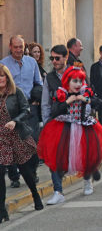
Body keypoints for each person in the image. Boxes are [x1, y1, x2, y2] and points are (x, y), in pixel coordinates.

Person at [38, 67, 102, 204]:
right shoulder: (61, 93)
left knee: (85, 156)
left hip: (83, 128)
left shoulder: (85, 93)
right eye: (75, 81)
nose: (78, 84)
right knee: (56, 159)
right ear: (67, 82)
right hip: (63, 130)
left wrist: (87, 100)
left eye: (80, 81)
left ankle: (87, 182)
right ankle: (58, 192)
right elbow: (54, 112)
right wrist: (67, 102)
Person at [0, 64, 43, 223]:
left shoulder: (15, 92)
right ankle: (2, 210)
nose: (0, 79)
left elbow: (26, 110)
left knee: (25, 170)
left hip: (16, 135)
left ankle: (35, 195)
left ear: (7, 77)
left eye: (2, 76)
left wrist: (14, 121)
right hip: (1, 139)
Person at [1, 36, 42, 188]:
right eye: (15, 47)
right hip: (10, 109)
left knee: (33, 142)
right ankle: (14, 177)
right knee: (10, 144)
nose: (18, 50)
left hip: (30, 108)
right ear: (10, 47)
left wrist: (38, 95)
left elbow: (39, 83)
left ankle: (32, 172)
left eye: (21, 47)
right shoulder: (3, 64)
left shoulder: (32, 62)